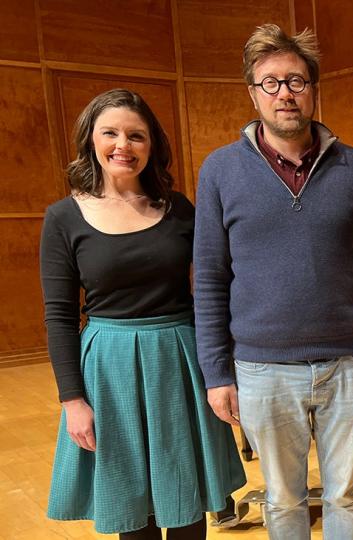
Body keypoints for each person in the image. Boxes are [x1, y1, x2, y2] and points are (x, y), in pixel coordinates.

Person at [193, 24, 353, 540]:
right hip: (261, 368)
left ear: (313, 88)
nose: (285, 94)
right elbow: (209, 276)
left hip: (349, 362)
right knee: (282, 499)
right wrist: (216, 372)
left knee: (346, 493)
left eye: (296, 81)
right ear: (253, 93)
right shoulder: (220, 171)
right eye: (270, 83)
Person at [40, 88, 246, 538]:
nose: (123, 146)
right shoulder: (63, 217)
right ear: (90, 140)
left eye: (136, 136)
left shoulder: (179, 210)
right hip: (109, 369)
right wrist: (72, 400)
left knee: (187, 501)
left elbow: (219, 280)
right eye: (110, 133)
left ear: (152, 145)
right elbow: (58, 316)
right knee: (133, 508)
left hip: (178, 359)